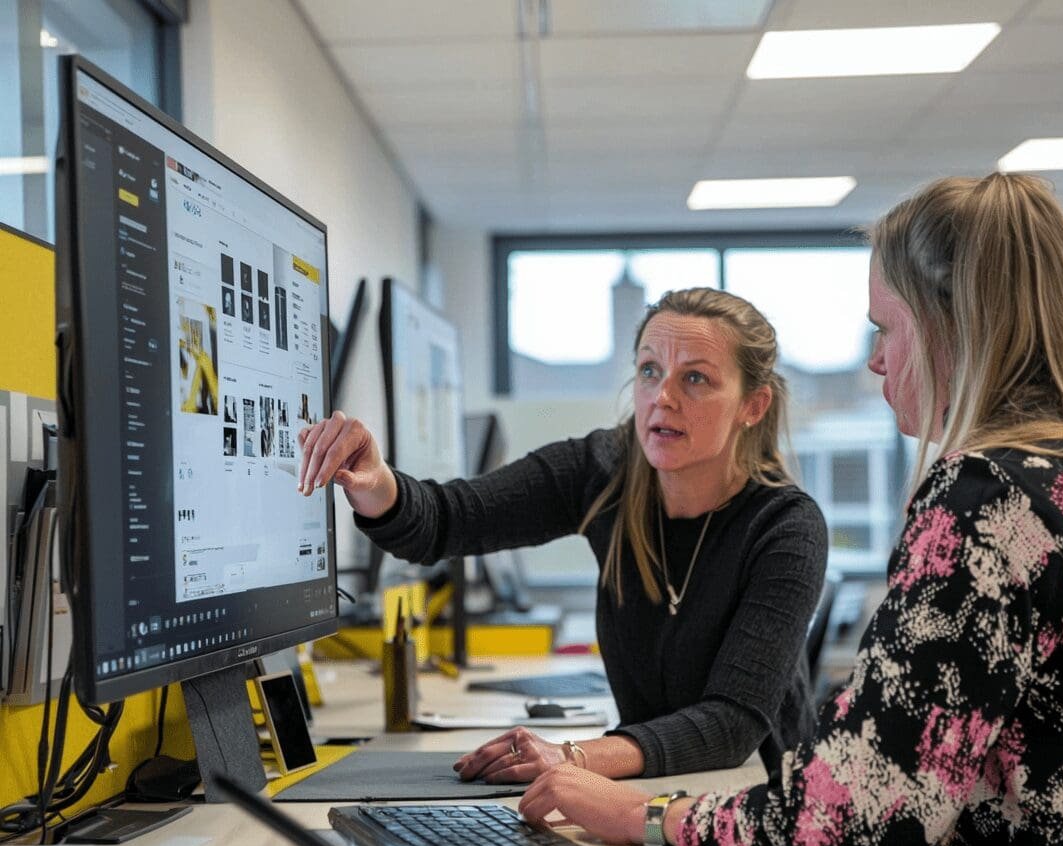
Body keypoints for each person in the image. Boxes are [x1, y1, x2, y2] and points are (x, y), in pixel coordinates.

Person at [514, 174, 1063, 846]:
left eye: (886, 327)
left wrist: (641, 815)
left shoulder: (990, 494)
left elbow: (850, 827)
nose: (874, 360)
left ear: (949, 325)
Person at [298, 287, 828, 782]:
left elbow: (730, 726)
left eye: (695, 378)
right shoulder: (605, 470)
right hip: (646, 788)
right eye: (649, 370)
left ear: (752, 406)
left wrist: (569, 756)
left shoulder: (785, 528)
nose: (661, 397)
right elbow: (450, 519)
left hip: (757, 799)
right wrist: (376, 480)